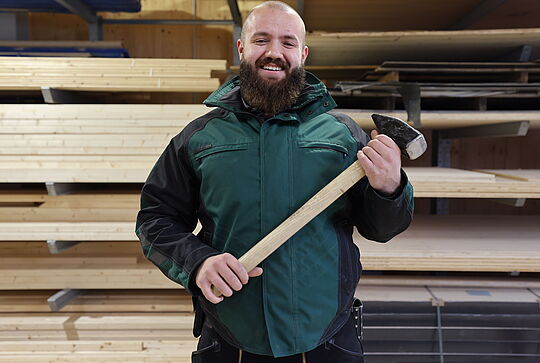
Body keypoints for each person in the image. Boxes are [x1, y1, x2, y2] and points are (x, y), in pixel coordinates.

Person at [136, 1, 413, 362]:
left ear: (303, 53)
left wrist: (390, 188)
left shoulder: (345, 136)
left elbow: (382, 228)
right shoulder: (199, 138)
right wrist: (198, 263)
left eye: (287, 42)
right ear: (241, 47)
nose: (274, 53)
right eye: (261, 40)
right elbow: (155, 220)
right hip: (230, 336)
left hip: (327, 337)